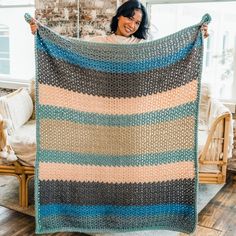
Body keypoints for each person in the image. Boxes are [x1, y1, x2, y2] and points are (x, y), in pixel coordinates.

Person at [29, 0, 209, 42]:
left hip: (133, 107)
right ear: (118, 16)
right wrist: (42, 33)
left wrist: (197, 35)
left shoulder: (142, 45)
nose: (132, 24)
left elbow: (174, 46)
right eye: (130, 18)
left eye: (137, 22)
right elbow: (67, 46)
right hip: (104, 105)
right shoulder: (98, 42)